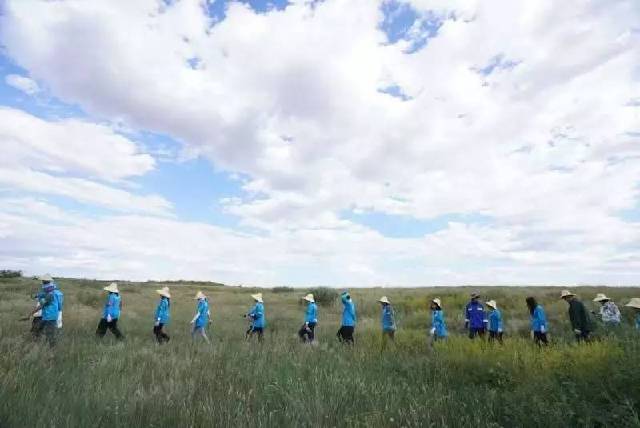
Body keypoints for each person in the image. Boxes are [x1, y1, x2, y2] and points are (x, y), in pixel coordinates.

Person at [29, 274, 64, 348]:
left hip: (50, 316)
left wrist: (31, 313)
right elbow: (41, 294)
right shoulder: (51, 291)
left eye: (44, 282)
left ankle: (52, 349)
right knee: (40, 329)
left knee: (50, 334)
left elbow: (41, 305)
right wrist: (36, 295)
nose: (43, 283)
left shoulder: (50, 294)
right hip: (47, 315)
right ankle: (39, 343)